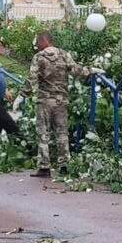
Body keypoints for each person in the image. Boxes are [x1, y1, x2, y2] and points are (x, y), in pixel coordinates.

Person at [28, 31, 101, 178]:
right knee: (62, 133)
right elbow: (76, 71)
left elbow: (32, 79)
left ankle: (44, 167)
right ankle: (64, 165)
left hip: (44, 101)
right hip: (61, 101)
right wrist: (92, 70)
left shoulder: (39, 57)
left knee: (43, 134)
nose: (37, 45)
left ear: (44, 41)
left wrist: (22, 95)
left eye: (38, 42)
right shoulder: (64, 54)